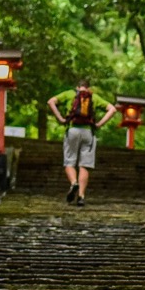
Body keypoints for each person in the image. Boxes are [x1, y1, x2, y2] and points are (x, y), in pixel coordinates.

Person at [47, 77, 117, 205]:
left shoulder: (69, 94)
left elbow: (51, 102)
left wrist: (61, 119)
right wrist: (99, 124)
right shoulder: (94, 97)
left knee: (69, 162)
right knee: (85, 165)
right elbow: (112, 109)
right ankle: (81, 196)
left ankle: (74, 183)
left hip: (72, 131)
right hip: (88, 133)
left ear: (77, 87)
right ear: (88, 88)